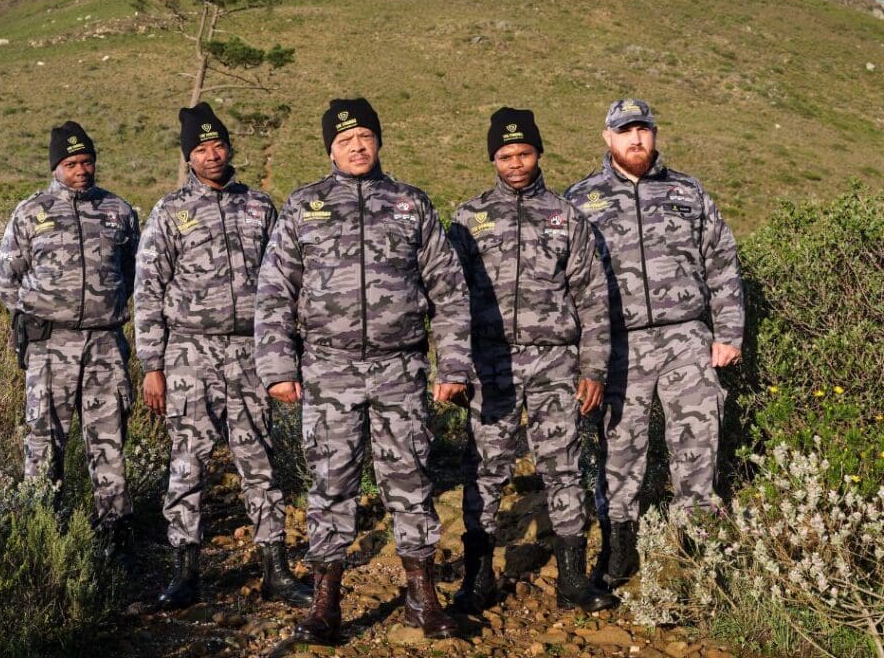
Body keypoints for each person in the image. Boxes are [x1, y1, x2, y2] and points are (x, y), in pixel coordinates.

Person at [255, 98, 472, 643]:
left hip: (400, 368)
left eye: (366, 137)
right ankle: (326, 604)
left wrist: (453, 363)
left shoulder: (410, 204)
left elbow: (448, 291)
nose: (357, 146)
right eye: (346, 139)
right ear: (330, 147)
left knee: (411, 479)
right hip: (329, 368)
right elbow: (275, 292)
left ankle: (422, 598)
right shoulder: (303, 206)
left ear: (379, 142)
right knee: (331, 484)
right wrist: (279, 366)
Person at [134, 103, 311, 609]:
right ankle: (185, 573)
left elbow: (283, 285)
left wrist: (285, 353)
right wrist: (153, 366)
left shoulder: (260, 206)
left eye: (218, 146)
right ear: (188, 156)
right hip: (189, 352)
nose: (211, 156)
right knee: (187, 461)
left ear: (229, 148)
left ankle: (275, 569)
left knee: (260, 460)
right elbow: (148, 292)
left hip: (250, 352)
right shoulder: (169, 212)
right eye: (200, 149)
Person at [565, 99, 744, 590]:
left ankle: (700, 556)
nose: (635, 139)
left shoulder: (687, 191)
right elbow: (568, 282)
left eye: (642, 129)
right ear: (607, 138)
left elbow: (722, 261)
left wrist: (728, 332)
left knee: (697, 445)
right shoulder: (580, 199)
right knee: (620, 450)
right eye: (625, 131)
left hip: (687, 337)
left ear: (655, 134)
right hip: (618, 346)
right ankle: (619, 549)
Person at [449, 108, 616, 613]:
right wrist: (454, 364)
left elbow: (593, 298)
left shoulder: (568, 218)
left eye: (523, 153)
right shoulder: (467, 219)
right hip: (490, 364)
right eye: (505, 155)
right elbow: (448, 297)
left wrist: (594, 368)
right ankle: (477, 578)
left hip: (555, 364)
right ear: (492, 160)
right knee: (485, 470)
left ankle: (572, 578)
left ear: (538, 154)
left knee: (564, 467)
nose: (515, 163)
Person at [0, 121, 139, 556]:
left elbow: (133, 274)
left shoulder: (119, 212)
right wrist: (42, 312)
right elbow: (6, 282)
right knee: (43, 442)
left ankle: (113, 539)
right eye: (72, 163)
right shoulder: (30, 213)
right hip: (50, 347)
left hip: (105, 347)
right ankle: (43, 540)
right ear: (56, 167)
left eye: (87, 161)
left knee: (109, 442)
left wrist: (104, 308)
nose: (82, 170)